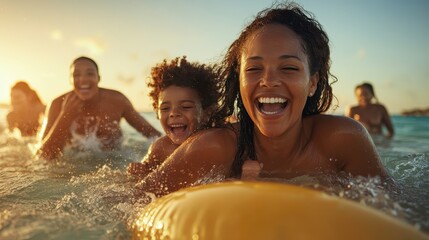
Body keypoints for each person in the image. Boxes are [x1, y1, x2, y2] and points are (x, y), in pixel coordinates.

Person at [135, 2, 393, 197]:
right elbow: (128, 201)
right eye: (254, 69)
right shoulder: (215, 148)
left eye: (289, 68)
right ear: (239, 81)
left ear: (312, 82)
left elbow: (400, 210)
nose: (268, 81)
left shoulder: (344, 140)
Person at [37, 56, 161, 160]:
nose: (83, 79)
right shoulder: (57, 104)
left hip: (115, 161)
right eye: (76, 75)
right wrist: (65, 116)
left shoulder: (117, 100)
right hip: (72, 168)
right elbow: (41, 155)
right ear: (71, 80)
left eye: (90, 73)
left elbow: (152, 135)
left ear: (98, 78)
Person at [128, 56, 222, 178]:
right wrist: (139, 170)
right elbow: (145, 171)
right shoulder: (160, 148)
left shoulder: (216, 142)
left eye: (186, 106)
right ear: (157, 113)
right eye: (165, 108)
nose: (174, 113)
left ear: (206, 113)